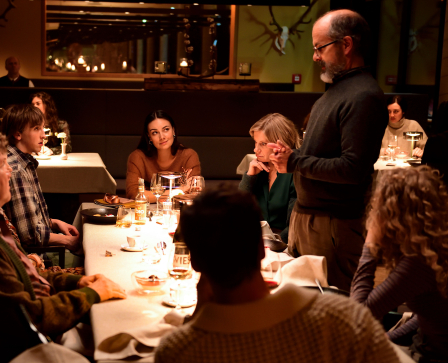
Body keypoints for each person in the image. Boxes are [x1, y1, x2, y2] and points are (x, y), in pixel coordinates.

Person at [0, 130, 125, 362]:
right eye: (3, 165)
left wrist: (77, 281)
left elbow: (26, 274)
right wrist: (92, 294)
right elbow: (33, 317)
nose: (10, 172)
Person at [154, 186, 404, 363]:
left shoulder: (178, 351)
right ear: (262, 251)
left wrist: (198, 318)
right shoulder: (342, 318)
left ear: (195, 263)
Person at [269, 9, 387, 291]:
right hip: (310, 220)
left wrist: (296, 161)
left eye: (319, 47)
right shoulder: (339, 90)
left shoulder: (364, 96)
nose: (315, 56)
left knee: (333, 310)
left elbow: (353, 169)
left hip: (333, 226)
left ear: (346, 45)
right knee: (305, 305)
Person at [351, 166, 448, 362]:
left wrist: (370, 245)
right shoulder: (435, 244)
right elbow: (429, 317)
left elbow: (357, 313)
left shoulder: (418, 263)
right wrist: (389, 339)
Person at [0, 104, 82, 253]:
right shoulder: (16, 169)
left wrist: (55, 223)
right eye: (36, 128)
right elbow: (30, 236)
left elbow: (26, 220)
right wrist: (68, 241)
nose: (43, 135)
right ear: (18, 134)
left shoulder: (23, 160)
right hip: (32, 259)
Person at [238, 113, 299, 243]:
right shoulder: (258, 170)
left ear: (281, 143)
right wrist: (249, 177)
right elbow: (237, 210)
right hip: (254, 241)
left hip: (285, 245)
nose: (255, 149)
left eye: (263, 144)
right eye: (255, 142)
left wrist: (272, 244)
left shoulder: (296, 173)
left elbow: (295, 226)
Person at [126, 110, 201, 202]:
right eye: (155, 132)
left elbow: (193, 193)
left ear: (173, 130)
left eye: (166, 129)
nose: (162, 137)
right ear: (149, 136)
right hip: (146, 213)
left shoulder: (188, 156)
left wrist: (148, 194)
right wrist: (179, 191)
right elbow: (134, 194)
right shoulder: (138, 157)